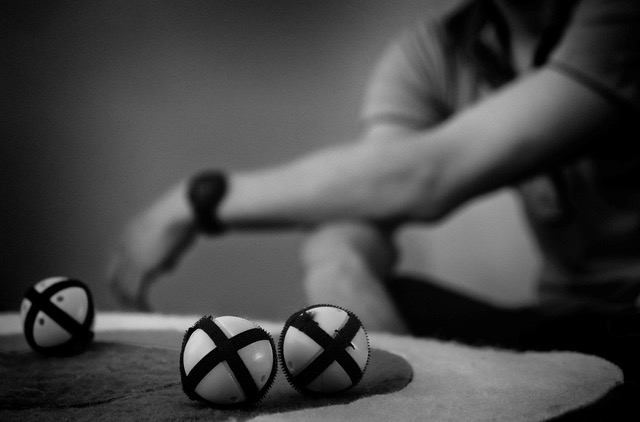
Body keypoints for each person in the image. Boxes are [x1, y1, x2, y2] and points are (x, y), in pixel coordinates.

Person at [108, 0, 640, 380]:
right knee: (370, 294)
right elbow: (366, 196)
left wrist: (195, 201)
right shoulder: (431, 52)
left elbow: (423, 177)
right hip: (564, 322)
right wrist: (339, 263)